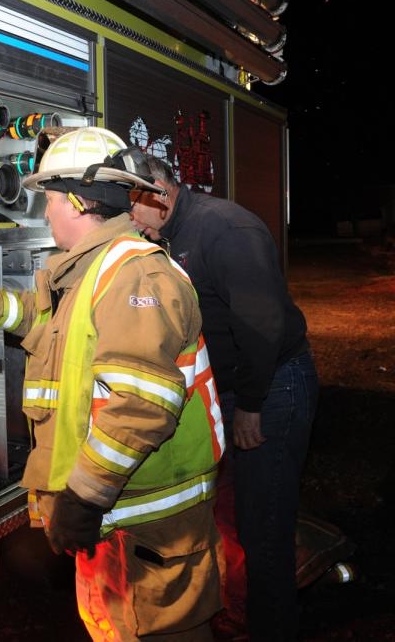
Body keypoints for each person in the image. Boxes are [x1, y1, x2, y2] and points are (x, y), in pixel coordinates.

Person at [0, 127, 225, 641]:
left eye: (50, 199)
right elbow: (51, 328)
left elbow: (141, 407)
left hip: (150, 524)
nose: (45, 213)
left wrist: (84, 499)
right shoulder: (93, 272)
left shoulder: (135, 277)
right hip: (122, 521)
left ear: (81, 200)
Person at [128, 156, 319, 641]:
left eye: (130, 203)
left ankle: (273, 628)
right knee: (231, 514)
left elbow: (264, 325)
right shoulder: (166, 235)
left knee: (264, 526)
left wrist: (251, 406)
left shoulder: (226, 230)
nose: (127, 216)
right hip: (232, 388)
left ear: (158, 193)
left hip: (273, 384)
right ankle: (238, 613)